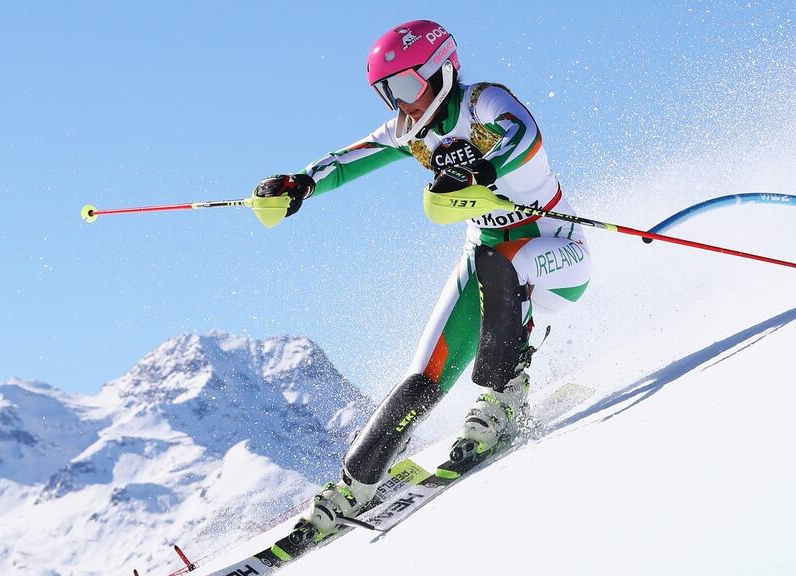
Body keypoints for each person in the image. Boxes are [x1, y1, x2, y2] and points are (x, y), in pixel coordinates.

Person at [253, 20, 592, 537]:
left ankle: (506, 395)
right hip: (485, 260)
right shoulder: (411, 131)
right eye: (389, 93)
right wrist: (300, 184)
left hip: (556, 257)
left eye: (408, 87)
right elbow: (348, 161)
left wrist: (479, 168)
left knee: (504, 263)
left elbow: (521, 134)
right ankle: (357, 484)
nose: (403, 104)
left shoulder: (484, 102)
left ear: (443, 69)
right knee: (425, 372)